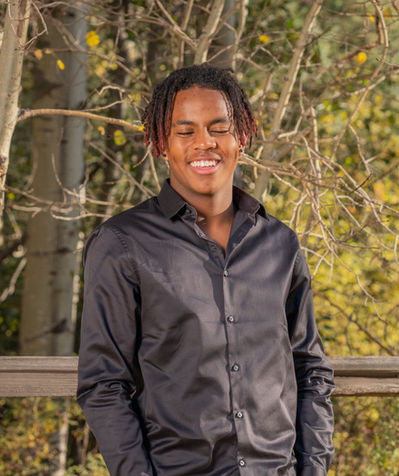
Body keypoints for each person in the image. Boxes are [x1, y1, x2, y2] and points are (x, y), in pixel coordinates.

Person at [77, 64, 335, 476]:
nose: (204, 143)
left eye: (219, 128)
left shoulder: (280, 245)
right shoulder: (121, 244)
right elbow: (103, 384)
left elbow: (310, 370)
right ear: (162, 144)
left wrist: (313, 468)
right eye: (185, 131)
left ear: (241, 137)